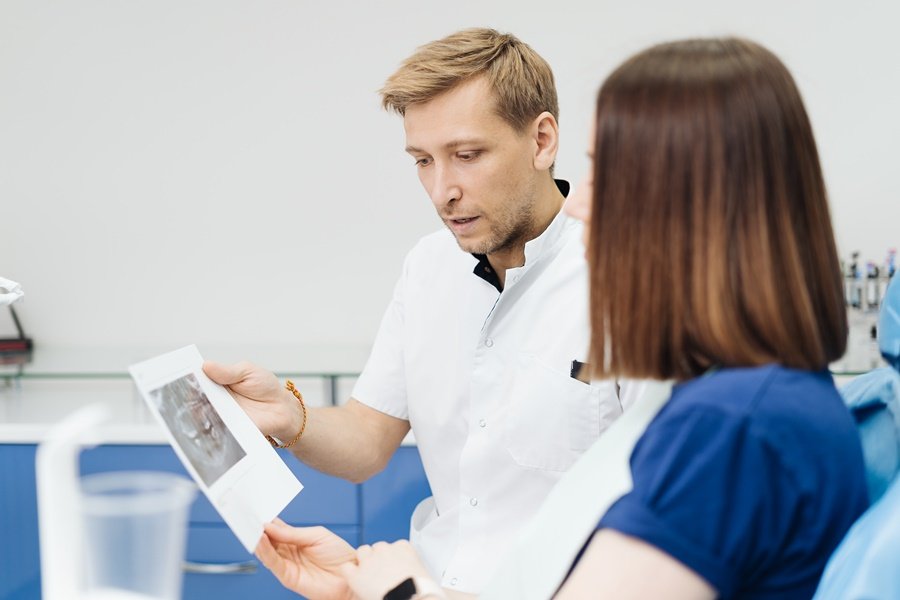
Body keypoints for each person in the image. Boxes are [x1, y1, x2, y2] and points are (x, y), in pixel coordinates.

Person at [253, 37, 869, 600]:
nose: (584, 205)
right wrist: (375, 580)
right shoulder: (741, 399)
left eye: (467, 155)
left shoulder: (731, 422)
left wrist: (400, 592)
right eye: (423, 161)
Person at [203, 28, 641, 594]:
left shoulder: (631, 281)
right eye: (422, 161)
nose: (441, 192)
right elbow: (367, 437)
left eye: (466, 156)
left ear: (542, 141)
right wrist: (292, 419)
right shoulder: (429, 266)